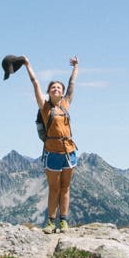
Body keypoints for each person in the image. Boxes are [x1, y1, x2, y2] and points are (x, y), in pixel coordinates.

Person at [24, 55, 79, 233]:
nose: (56, 89)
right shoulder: (44, 107)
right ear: (48, 92)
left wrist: (75, 67)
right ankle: (50, 222)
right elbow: (35, 83)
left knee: (65, 187)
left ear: (62, 93)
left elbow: (72, 84)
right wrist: (27, 65)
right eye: (53, 87)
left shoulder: (66, 103)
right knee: (54, 188)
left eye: (58, 88)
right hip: (52, 152)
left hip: (69, 151)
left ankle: (63, 221)